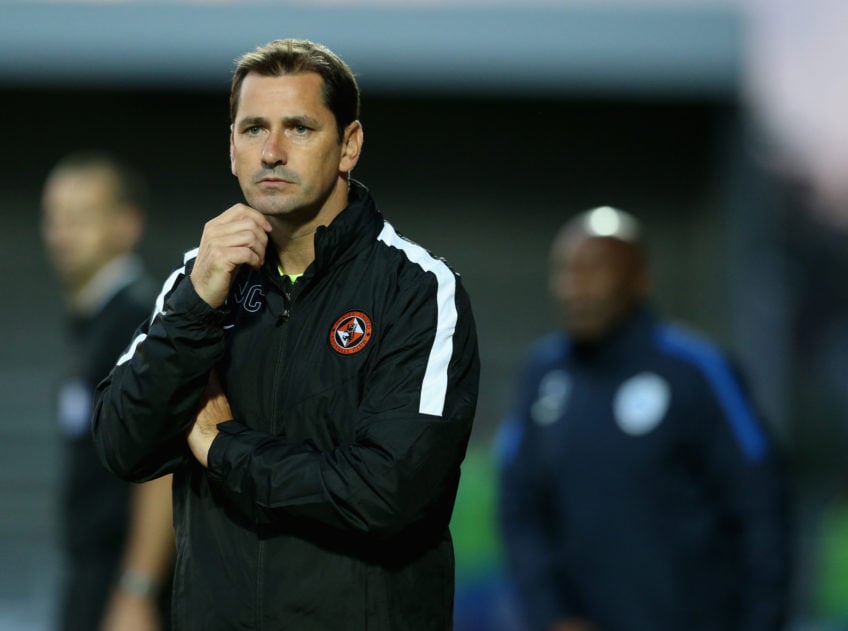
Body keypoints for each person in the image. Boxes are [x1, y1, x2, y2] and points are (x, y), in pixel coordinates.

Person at [90, 38, 480, 630]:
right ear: (231, 148)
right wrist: (197, 304)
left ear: (348, 145)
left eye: (298, 128)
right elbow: (121, 443)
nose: (271, 151)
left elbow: (385, 493)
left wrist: (223, 448)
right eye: (252, 129)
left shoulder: (418, 290)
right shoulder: (197, 282)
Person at [495, 206, 791, 631]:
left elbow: (762, 505)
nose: (574, 289)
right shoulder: (543, 374)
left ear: (640, 280)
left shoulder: (698, 370)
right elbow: (520, 509)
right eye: (566, 272)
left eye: (594, 271)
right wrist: (553, 614)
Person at [40, 151, 175, 631]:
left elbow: (161, 462)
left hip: (119, 579)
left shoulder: (136, 322)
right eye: (54, 216)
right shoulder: (95, 322)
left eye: (80, 217)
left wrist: (137, 589)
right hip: (93, 573)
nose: (61, 233)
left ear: (127, 224)